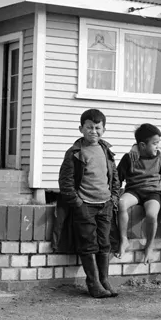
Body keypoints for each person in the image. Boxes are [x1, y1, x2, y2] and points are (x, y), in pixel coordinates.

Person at [58, 109, 121, 298]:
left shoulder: (105, 150)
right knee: (88, 244)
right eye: (89, 128)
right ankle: (93, 283)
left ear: (104, 129)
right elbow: (66, 181)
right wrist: (77, 203)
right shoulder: (75, 153)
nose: (94, 131)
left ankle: (104, 280)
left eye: (97, 128)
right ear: (81, 129)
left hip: (105, 204)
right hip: (85, 204)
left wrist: (114, 198)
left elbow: (115, 176)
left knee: (105, 243)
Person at [116, 123, 161, 263]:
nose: (157, 146)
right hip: (134, 190)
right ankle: (124, 239)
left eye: (158, 143)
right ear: (142, 145)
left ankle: (149, 245)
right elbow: (118, 178)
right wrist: (115, 193)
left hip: (153, 193)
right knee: (122, 204)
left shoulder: (160, 158)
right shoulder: (129, 158)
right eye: (154, 143)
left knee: (152, 214)